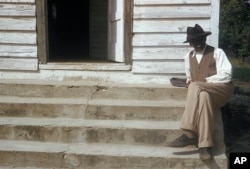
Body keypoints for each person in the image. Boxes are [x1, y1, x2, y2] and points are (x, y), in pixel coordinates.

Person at [167, 24, 234, 161]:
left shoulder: (217, 52)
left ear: (205, 40)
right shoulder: (188, 57)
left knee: (196, 86)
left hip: (221, 90)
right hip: (204, 92)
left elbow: (227, 75)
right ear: (190, 43)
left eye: (200, 41)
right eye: (194, 42)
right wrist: (192, 83)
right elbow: (190, 78)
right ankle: (205, 146)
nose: (197, 44)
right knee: (203, 97)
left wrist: (204, 81)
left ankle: (189, 132)